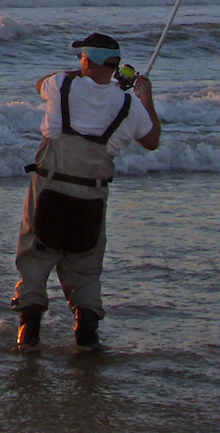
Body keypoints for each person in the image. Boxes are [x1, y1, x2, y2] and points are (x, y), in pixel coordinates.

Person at [12, 31, 160, 351]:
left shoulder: (62, 85)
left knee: (34, 261)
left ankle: (28, 335)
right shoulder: (128, 104)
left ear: (86, 61)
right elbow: (151, 140)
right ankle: (87, 337)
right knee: (85, 271)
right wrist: (143, 95)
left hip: (49, 189)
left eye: (80, 57)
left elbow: (41, 82)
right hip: (91, 199)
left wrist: (83, 74)